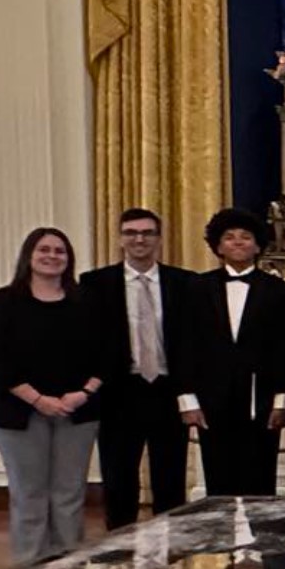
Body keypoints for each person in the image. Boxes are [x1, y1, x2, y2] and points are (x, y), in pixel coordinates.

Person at [0, 228, 107, 566]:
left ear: (69, 259)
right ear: (29, 256)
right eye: (44, 250)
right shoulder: (3, 301)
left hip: (76, 412)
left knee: (69, 493)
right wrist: (39, 400)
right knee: (29, 494)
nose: (52, 256)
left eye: (60, 251)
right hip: (17, 413)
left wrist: (83, 393)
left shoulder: (86, 301)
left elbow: (106, 356)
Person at [79, 207, 192, 529]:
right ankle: (119, 559)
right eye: (131, 232)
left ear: (159, 239)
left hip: (169, 392)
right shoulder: (94, 283)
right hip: (118, 392)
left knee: (170, 480)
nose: (139, 239)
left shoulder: (183, 283)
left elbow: (192, 342)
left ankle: (172, 556)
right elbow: (87, 342)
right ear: (120, 238)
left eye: (147, 233)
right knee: (118, 481)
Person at [175, 208, 285, 497]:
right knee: (218, 479)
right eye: (229, 238)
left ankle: (261, 541)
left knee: (261, 478)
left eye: (246, 237)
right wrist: (187, 399)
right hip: (211, 399)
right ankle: (221, 542)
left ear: (258, 245)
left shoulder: (279, 291)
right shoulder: (195, 288)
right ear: (218, 247)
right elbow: (183, 344)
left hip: (262, 398)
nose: (238, 242)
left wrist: (283, 400)